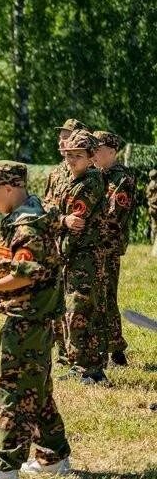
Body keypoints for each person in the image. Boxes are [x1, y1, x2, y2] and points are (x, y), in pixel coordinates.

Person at [0, 161, 71, 479]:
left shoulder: (27, 226)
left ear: (9, 187)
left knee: (14, 392)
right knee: (36, 390)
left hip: (29, 318)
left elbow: (26, 274)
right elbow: (18, 265)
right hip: (31, 315)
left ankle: (5, 468)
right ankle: (54, 458)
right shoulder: (24, 217)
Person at [52, 130, 108, 385]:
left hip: (83, 255)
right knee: (70, 311)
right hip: (69, 254)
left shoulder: (89, 182)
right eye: (68, 155)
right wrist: (61, 219)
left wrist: (57, 221)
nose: (71, 160)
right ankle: (79, 364)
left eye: (77, 156)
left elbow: (76, 226)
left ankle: (92, 368)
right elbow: (49, 208)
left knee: (81, 311)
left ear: (91, 157)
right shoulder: (69, 179)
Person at [92, 131, 136, 367]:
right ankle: (109, 346)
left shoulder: (121, 179)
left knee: (106, 296)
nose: (94, 154)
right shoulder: (97, 175)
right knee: (98, 296)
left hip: (108, 246)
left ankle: (115, 350)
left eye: (98, 150)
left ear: (112, 151)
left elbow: (113, 217)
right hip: (94, 246)